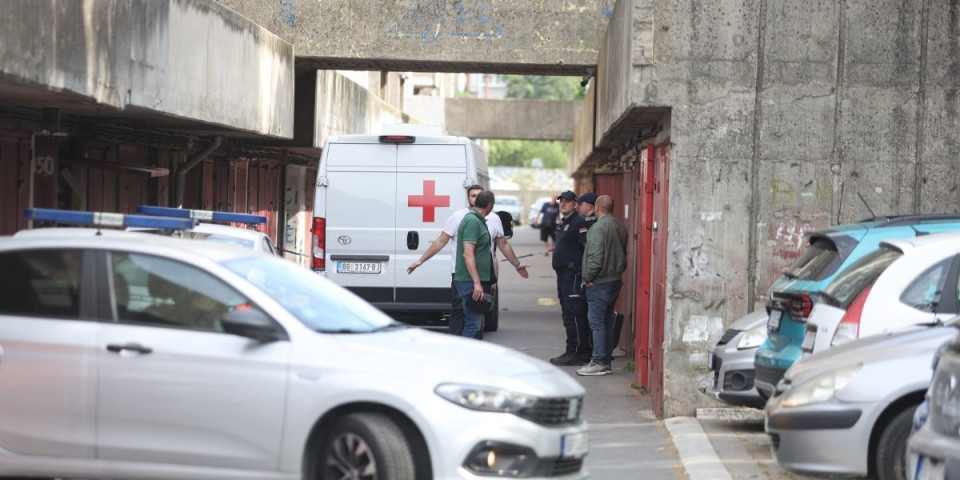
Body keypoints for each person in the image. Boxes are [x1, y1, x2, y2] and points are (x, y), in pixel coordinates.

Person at [407, 186, 528, 335]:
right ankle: (461, 351)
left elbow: (503, 244)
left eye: (479, 196)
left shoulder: (492, 219)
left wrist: (517, 264)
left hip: (483, 276)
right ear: (468, 198)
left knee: (477, 318)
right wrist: (421, 260)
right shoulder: (464, 219)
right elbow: (445, 243)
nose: (476, 199)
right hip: (465, 276)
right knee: (463, 314)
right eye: (473, 196)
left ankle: (471, 351)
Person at [454, 191, 528, 338]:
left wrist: (517, 264)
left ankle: (471, 357)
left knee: (477, 323)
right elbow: (468, 254)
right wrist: (476, 283)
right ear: (490, 205)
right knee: (473, 324)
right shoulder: (472, 222)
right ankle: (464, 359)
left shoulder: (479, 220)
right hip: (470, 282)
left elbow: (503, 244)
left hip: (478, 280)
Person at [577, 194, 628, 376]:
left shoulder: (598, 228)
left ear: (597, 207)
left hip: (599, 282)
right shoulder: (619, 226)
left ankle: (599, 361)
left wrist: (588, 277)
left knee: (596, 322)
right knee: (606, 322)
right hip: (614, 279)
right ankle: (604, 360)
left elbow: (596, 257)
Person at [548, 191, 597, 366]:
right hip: (564, 275)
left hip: (573, 275)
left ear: (575, 204)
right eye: (561, 202)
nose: (563, 204)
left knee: (574, 313)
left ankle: (576, 352)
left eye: (567, 202)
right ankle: (575, 350)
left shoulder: (578, 223)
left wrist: (589, 274)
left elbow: (588, 248)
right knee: (568, 313)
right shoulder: (566, 223)